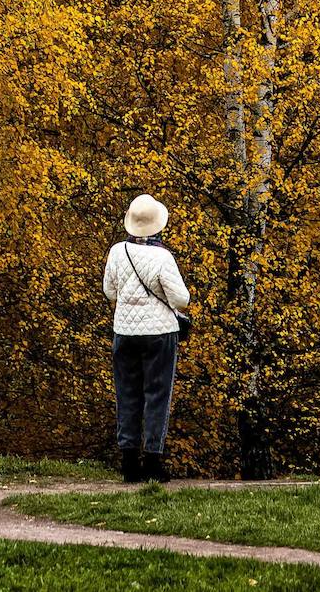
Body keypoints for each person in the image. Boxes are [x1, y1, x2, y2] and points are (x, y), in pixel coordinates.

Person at [103, 193, 190, 482]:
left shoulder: (117, 252)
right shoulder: (162, 257)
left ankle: (129, 462)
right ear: (157, 226)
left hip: (125, 333)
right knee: (156, 395)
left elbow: (109, 292)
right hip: (159, 334)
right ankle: (153, 461)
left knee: (127, 393)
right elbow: (181, 299)